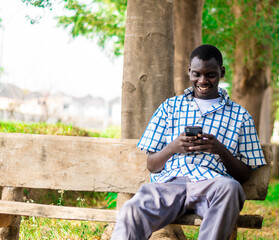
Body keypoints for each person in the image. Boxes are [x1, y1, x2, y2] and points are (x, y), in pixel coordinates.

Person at [111, 44, 266, 240]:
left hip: (211, 186)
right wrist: (173, 147)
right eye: (197, 74)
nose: (203, 80)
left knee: (231, 188)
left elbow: (245, 174)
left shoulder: (240, 116)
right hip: (169, 185)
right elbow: (152, 165)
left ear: (222, 72)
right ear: (189, 72)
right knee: (132, 208)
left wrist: (220, 150)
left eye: (210, 74)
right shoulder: (170, 107)